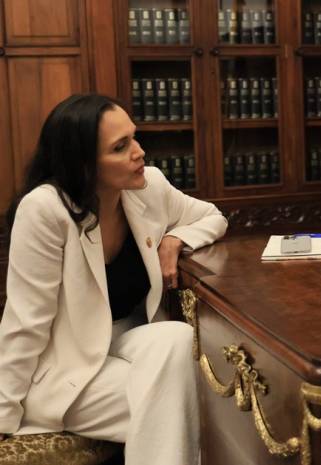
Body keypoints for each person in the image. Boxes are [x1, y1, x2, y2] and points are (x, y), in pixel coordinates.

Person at [0, 94, 228, 464]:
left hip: (129, 343)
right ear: (85, 165)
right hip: (67, 365)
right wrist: (3, 412)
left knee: (177, 336)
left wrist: (176, 238)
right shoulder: (44, 210)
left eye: (134, 138)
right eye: (120, 147)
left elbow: (213, 216)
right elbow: (26, 321)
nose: (139, 152)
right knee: (191, 405)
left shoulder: (149, 185)